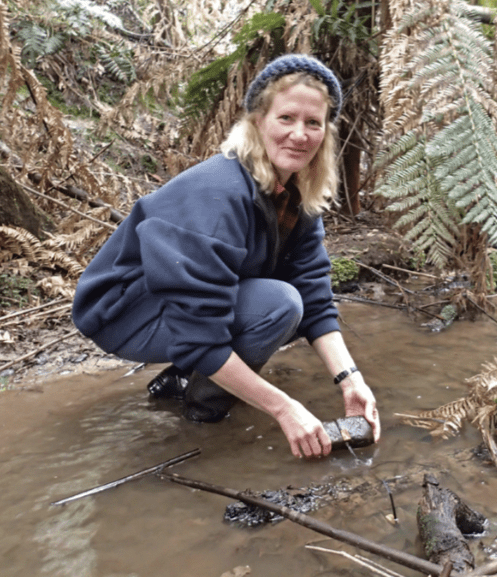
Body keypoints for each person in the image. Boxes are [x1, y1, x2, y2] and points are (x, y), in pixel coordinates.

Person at [72, 54, 380, 459]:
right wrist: (284, 408)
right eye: (286, 118)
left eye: (313, 123)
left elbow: (316, 299)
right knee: (279, 306)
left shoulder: (298, 197)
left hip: (181, 306)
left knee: (295, 301)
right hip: (123, 311)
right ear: (256, 122)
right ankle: (202, 413)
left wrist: (350, 379)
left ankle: (182, 379)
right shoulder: (219, 190)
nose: (300, 135)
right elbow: (200, 332)